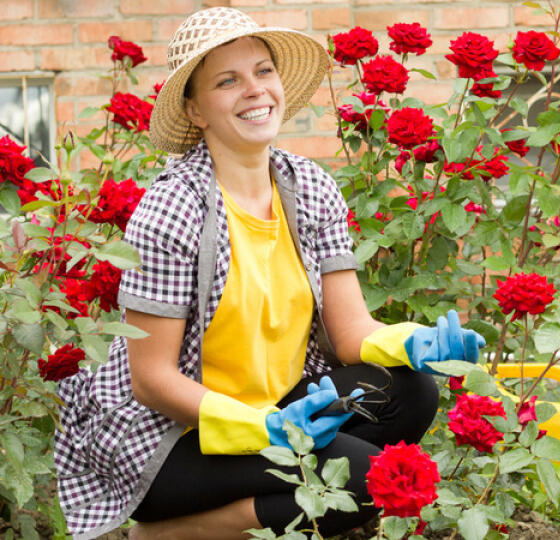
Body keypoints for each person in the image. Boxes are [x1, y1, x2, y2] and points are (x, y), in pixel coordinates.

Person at [52, 7, 484, 540]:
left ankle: (261, 509)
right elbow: (152, 380)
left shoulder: (309, 186)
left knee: (412, 392)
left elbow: (351, 334)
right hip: (172, 436)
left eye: (263, 71)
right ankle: (167, 535)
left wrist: (415, 342)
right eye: (227, 81)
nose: (255, 91)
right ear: (195, 109)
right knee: (365, 480)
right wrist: (265, 430)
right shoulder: (173, 208)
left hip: (278, 404)